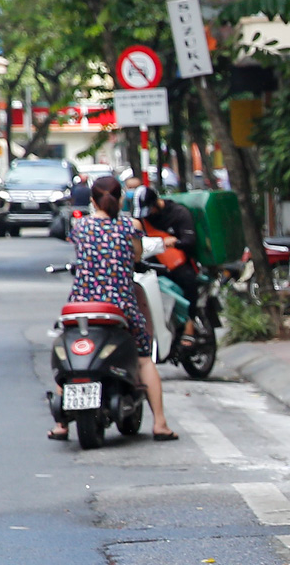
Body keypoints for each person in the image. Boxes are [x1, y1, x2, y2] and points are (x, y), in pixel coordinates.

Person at [50, 176, 176, 442]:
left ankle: (61, 424)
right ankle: (161, 424)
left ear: (93, 200)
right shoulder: (131, 226)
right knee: (143, 357)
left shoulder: (80, 226)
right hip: (119, 304)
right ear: (120, 199)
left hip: (81, 306)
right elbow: (137, 256)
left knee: (67, 357)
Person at [138, 187, 202, 322]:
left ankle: (190, 323)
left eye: (150, 210)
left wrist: (173, 243)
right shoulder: (142, 220)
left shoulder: (178, 213)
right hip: (154, 265)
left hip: (179, 264)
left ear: (157, 203)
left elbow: (189, 240)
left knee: (188, 282)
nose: (148, 215)